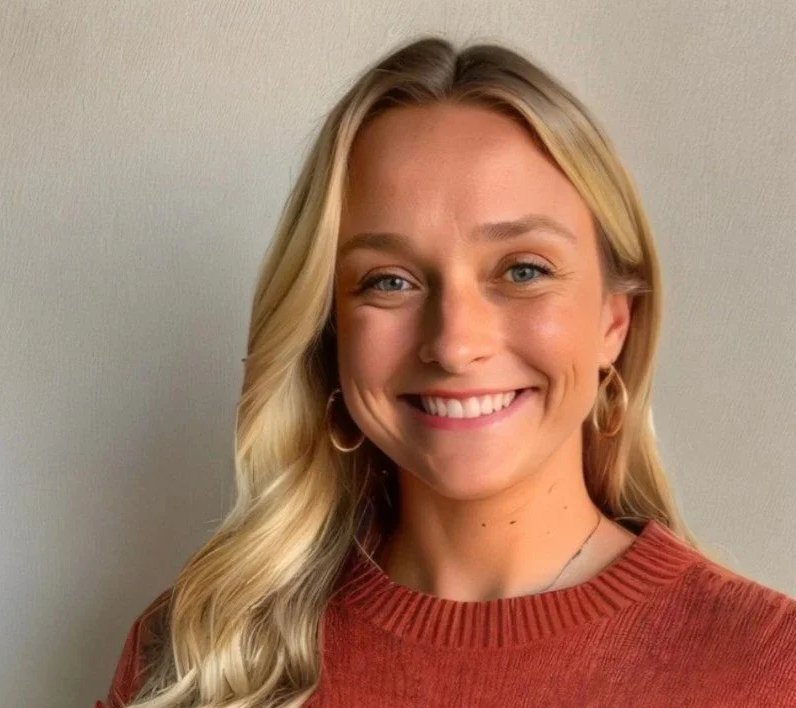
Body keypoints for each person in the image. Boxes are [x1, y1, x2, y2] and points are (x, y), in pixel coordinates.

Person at [95, 36, 796, 708]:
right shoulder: (202, 658)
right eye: (388, 281)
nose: (454, 344)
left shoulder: (770, 669)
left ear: (614, 321)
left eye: (523, 270)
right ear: (329, 327)